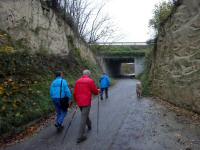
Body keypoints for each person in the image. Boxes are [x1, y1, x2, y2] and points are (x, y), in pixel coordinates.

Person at [73, 69, 100, 143]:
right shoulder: (90, 81)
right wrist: (98, 91)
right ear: (88, 74)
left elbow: (75, 92)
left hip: (79, 102)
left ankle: (89, 125)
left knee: (84, 114)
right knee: (83, 117)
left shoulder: (78, 81)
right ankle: (80, 137)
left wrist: (76, 100)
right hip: (86, 102)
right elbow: (94, 91)